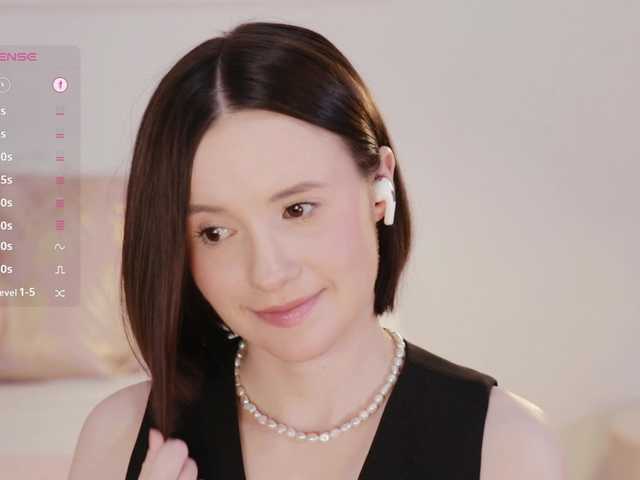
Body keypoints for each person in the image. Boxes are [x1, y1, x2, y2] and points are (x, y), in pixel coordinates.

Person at [68, 21, 565, 480]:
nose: (268, 273)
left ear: (380, 185)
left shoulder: (506, 447)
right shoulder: (119, 437)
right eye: (215, 232)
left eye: (297, 209)